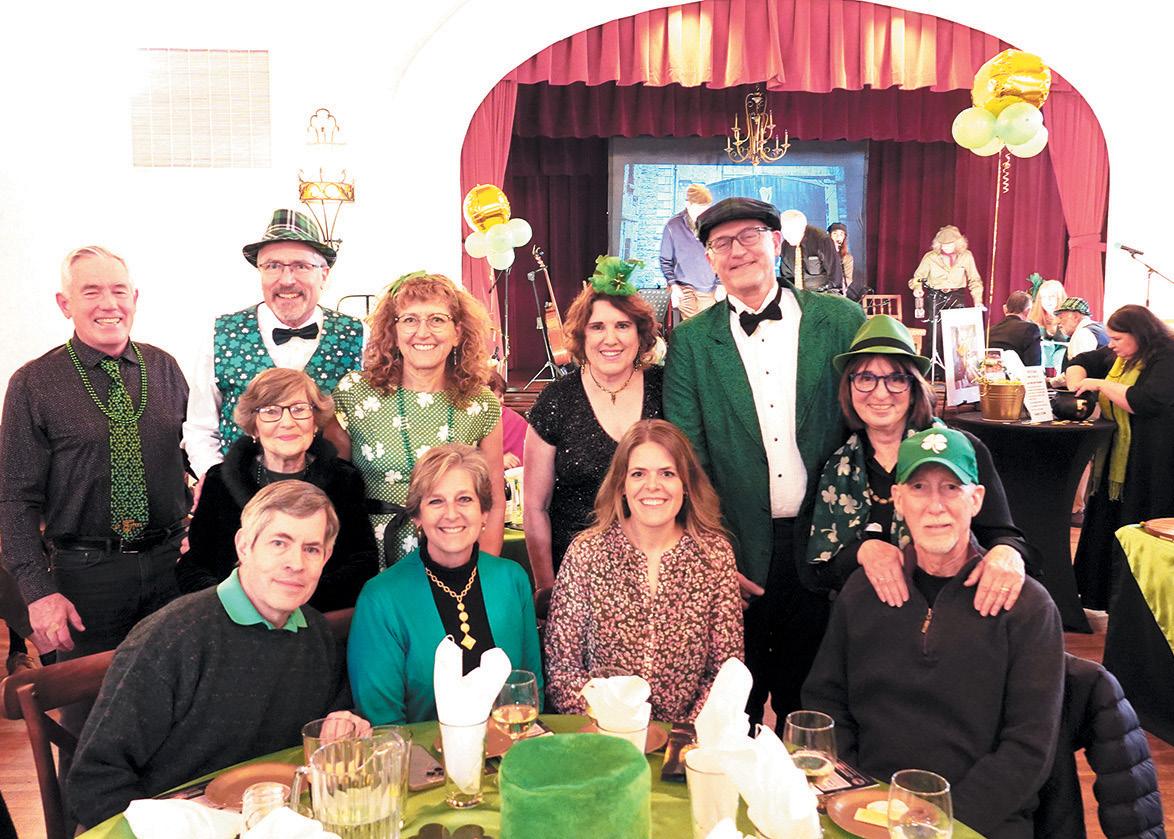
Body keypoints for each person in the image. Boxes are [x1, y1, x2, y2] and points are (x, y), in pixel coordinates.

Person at [803, 427, 1064, 839]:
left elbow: (1029, 747)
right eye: (919, 487)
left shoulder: (1026, 606)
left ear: (976, 499)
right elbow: (827, 701)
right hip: (867, 809)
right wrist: (854, 796)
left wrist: (942, 822)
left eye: (951, 488)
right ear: (899, 500)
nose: (935, 506)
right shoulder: (862, 591)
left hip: (978, 821)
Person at [663, 197, 866, 727]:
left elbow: (867, 430)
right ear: (709, 259)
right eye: (721, 243)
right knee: (733, 709)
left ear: (776, 243)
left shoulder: (840, 320)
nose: (737, 251)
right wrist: (714, 554)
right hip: (736, 552)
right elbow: (688, 457)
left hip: (827, 550)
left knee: (818, 710)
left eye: (749, 236)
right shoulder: (690, 342)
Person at [68, 482, 369, 828]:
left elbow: (335, 715)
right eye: (279, 543)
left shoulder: (315, 633)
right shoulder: (172, 638)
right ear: (244, 546)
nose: (295, 563)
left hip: (276, 820)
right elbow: (94, 780)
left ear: (326, 558)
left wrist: (346, 721)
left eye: (311, 549)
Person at [0, 246, 189, 661]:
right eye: (91, 292)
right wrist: (38, 592)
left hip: (172, 567)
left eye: (119, 291)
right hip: (86, 577)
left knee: (178, 686)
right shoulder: (32, 384)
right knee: (90, 695)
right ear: (64, 304)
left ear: (134, 298)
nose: (109, 304)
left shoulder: (165, 368)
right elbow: (15, 499)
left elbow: (188, 456)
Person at [805, 315, 1029, 611]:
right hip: (864, 620)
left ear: (914, 388)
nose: (880, 393)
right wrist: (862, 551)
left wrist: (1007, 553)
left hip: (953, 613)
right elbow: (817, 572)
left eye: (896, 379)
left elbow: (1003, 536)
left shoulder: (960, 449)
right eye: (866, 378)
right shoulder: (835, 465)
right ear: (849, 387)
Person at [544, 420, 743, 722]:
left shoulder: (714, 555)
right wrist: (620, 726)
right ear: (621, 485)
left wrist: (682, 736)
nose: (653, 486)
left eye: (667, 473)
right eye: (638, 474)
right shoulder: (587, 552)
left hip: (687, 739)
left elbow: (725, 671)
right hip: (604, 734)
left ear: (686, 484)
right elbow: (562, 669)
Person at [347, 444, 541, 724]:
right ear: (417, 516)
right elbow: (383, 725)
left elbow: (530, 692)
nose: (451, 514)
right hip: (420, 751)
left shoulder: (513, 579)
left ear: (484, 512)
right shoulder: (380, 599)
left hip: (510, 746)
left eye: (464, 499)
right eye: (436, 501)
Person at [329, 272, 505, 568]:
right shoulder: (354, 393)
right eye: (410, 320)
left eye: (437, 319)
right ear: (393, 331)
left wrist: (483, 573)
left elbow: (494, 501)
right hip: (368, 559)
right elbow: (333, 493)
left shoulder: (481, 403)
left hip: (454, 558)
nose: (423, 332)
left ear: (457, 332)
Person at [175, 368, 377, 612]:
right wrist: (237, 604)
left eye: (299, 409)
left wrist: (289, 601)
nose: (287, 422)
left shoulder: (343, 480)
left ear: (315, 421)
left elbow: (362, 563)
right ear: (254, 426)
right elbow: (194, 564)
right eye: (271, 411)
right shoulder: (220, 481)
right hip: (233, 618)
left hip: (317, 617)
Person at [182, 209, 364, 478]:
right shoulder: (220, 332)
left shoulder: (357, 334)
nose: (287, 280)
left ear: (324, 274)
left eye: (301, 266)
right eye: (273, 266)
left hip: (330, 494)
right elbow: (201, 428)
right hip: (240, 494)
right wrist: (219, 484)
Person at [523, 265, 663, 591]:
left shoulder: (666, 388)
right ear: (582, 335)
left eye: (622, 326)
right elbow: (534, 507)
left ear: (640, 334)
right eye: (597, 326)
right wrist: (547, 586)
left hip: (658, 568)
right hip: (577, 576)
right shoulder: (556, 399)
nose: (610, 339)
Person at [1066, 305, 1174, 609]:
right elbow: (1082, 361)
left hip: (1153, 460)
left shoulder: (1166, 357)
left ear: (1139, 334)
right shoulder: (1120, 356)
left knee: (1140, 522)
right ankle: (1102, 596)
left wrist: (1100, 384)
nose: (1111, 344)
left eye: (1117, 338)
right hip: (1118, 461)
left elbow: (1145, 401)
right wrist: (1076, 381)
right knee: (1110, 521)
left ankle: (1135, 606)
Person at [660, 183, 722, 319]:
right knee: (691, 327)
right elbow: (665, 260)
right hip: (683, 289)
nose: (703, 214)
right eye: (699, 209)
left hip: (709, 288)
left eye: (706, 209)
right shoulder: (673, 226)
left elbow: (721, 256)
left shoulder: (714, 225)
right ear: (688, 204)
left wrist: (721, 284)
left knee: (708, 326)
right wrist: (673, 286)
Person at [909, 224, 983, 311]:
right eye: (943, 244)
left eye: (950, 244)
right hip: (935, 296)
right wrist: (917, 288)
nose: (946, 247)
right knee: (936, 319)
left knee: (956, 320)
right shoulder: (930, 257)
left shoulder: (966, 256)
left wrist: (978, 300)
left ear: (957, 243)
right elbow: (918, 277)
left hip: (957, 295)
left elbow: (975, 279)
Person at [777, 209, 848, 296]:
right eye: (783, 231)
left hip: (822, 295)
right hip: (799, 296)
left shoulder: (821, 240)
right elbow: (787, 278)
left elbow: (835, 275)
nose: (786, 235)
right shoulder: (785, 246)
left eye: (789, 232)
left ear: (802, 228)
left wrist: (831, 298)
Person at [987, 290, 1043, 367]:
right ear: (1027, 311)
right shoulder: (1030, 329)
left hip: (992, 373)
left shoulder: (989, 331)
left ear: (1005, 309)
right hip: (1020, 374)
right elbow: (1034, 365)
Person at [1055, 296, 1108, 369]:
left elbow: (1080, 369)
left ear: (1075, 316)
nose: (1057, 322)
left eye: (1061, 318)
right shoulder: (1100, 328)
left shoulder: (1083, 334)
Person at [488, 370, 527, 470]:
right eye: (498, 396)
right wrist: (497, 462)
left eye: (501, 396)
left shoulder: (516, 421)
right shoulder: (468, 420)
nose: (502, 400)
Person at [826, 222, 864, 300]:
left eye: (841, 234)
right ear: (829, 235)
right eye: (835, 233)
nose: (838, 237)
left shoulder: (847, 257)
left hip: (838, 292)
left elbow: (848, 278)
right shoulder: (822, 253)